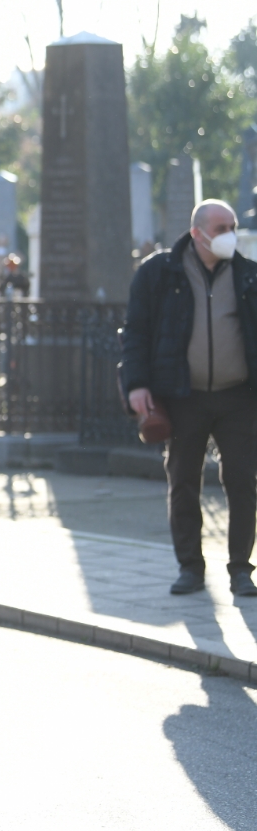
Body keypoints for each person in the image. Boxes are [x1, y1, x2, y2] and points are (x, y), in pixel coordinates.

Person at [121, 200, 257, 598]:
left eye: (231, 226)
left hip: (238, 397)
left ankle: (240, 571)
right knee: (182, 482)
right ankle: (190, 568)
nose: (229, 234)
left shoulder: (248, 276)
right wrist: (137, 384)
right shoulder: (159, 274)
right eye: (220, 228)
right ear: (197, 233)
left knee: (243, 482)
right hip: (183, 395)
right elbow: (136, 332)